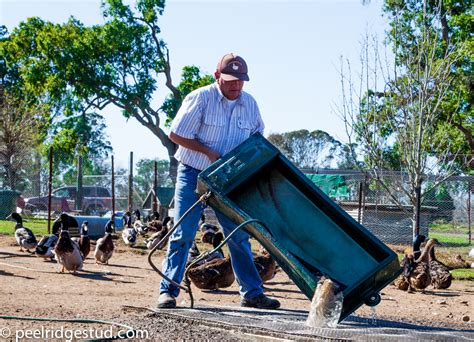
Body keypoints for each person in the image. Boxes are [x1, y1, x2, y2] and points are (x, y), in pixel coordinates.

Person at [158, 53, 280, 310]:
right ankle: (168, 292)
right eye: (230, 80)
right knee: (183, 233)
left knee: (239, 234)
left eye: (240, 80)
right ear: (217, 76)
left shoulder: (250, 104)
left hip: (228, 180)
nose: (236, 85)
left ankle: (252, 293)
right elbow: (176, 134)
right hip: (194, 173)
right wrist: (208, 153)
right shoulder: (200, 98)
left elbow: (257, 138)